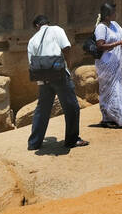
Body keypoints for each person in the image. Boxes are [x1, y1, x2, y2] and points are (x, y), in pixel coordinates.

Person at [26, 15, 87, 152]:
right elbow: (66, 48)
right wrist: (68, 66)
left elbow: (32, 63)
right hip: (60, 76)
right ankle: (72, 139)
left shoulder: (32, 40)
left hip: (43, 79)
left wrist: (42, 79)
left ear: (37, 26)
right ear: (48, 22)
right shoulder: (56, 30)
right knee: (71, 107)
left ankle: (34, 143)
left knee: (42, 111)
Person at [93, 1, 122, 130]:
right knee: (111, 89)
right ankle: (118, 118)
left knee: (117, 88)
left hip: (118, 62)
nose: (116, 14)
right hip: (107, 64)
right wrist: (118, 43)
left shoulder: (114, 25)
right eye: (113, 13)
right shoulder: (101, 28)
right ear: (107, 16)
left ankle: (110, 118)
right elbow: (100, 45)